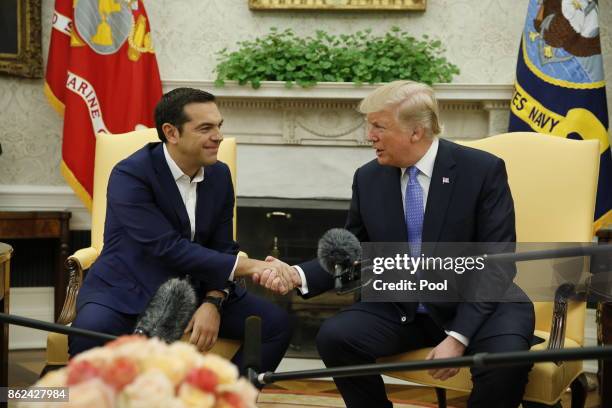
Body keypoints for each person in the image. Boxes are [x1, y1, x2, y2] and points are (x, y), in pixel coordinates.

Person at [258, 81, 535, 407]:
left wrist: (458, 337)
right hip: (406, 309)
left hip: (482, 307)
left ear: (416, 132)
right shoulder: (369, 177)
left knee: (505, 363)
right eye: (369, 125)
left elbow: (496, 263)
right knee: (336, 337)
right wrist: (297, 274)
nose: (368, 136)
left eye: (378, 126)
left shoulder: (481, 171)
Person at [69, 87, 292, 374]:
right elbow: (167, 247)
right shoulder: (130, 175)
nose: (218, 136)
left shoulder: (219, 175)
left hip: (197, 288)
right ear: (171, 133)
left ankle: (226, 399)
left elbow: (222, 246)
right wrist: (250, 267)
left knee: (275, 326)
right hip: (127, 291)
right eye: (205, 128)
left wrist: (214, 301)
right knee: (90, 339)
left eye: (219, 126)